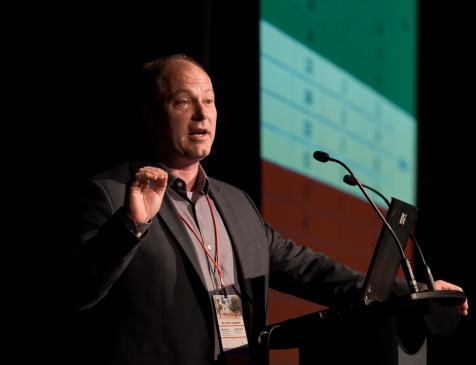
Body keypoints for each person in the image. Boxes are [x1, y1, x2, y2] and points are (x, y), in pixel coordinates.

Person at [71, 53, 468, 365]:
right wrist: (131, 225)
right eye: (183, 101)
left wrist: (412, 293)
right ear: (149, 112)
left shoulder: (234, 202)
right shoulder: (111, 194)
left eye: (209, 101)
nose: (202, 113)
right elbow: (76, 293)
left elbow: (309, 270)